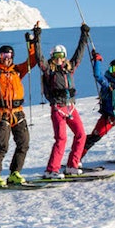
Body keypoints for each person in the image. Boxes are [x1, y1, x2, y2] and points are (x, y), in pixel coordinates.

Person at [0, 24, 38, 187]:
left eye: (9, 54)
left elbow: (32, 61)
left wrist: (32, 44)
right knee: (2, 145)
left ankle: (15, 173)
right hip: (1, 113)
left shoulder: (17, 70)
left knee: (23, 143)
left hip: (18, 113)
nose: (6, 57)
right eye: (3, 54)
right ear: (0, 55)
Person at [38, 25, 88, 178]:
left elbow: (79, 54)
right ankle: (52, 170)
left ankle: (72, 165)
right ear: (52, 57)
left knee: (81, 135)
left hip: (71, 107)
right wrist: (37, 38)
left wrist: (84, 35)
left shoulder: (69, 68)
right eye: (56, 56)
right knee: (61, 138)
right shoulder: (49, 70)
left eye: (61, 55)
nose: (59, 58)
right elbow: (39, 58)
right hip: (58, 108)